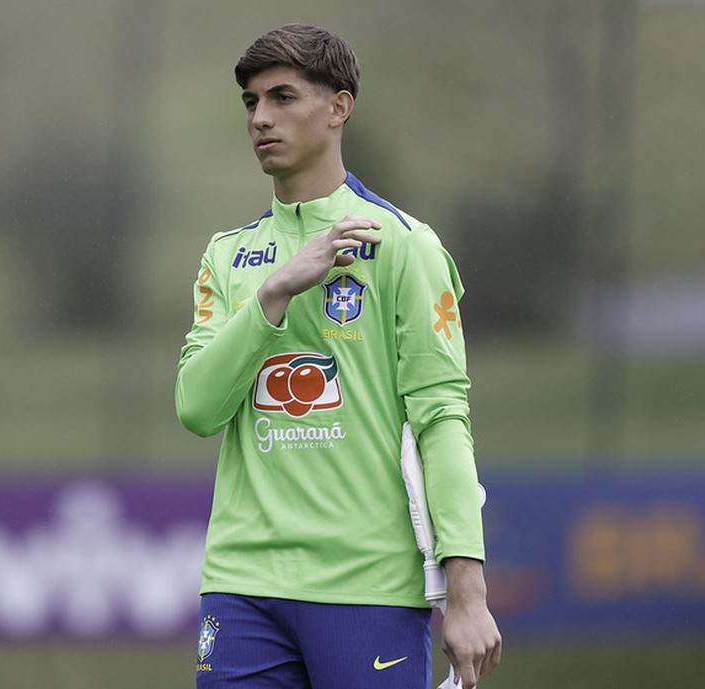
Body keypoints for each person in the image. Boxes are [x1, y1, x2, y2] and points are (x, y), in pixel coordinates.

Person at [176, 24, 501, 689]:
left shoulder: (406, 246)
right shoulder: (228, 257)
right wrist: (275, 292)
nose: (260, 117)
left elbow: (443, 420)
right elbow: (198, 408)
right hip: (242, 585)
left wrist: (467, 592)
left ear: (338, 107)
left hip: (367, 587)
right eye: (250, 101)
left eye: (282, 96)